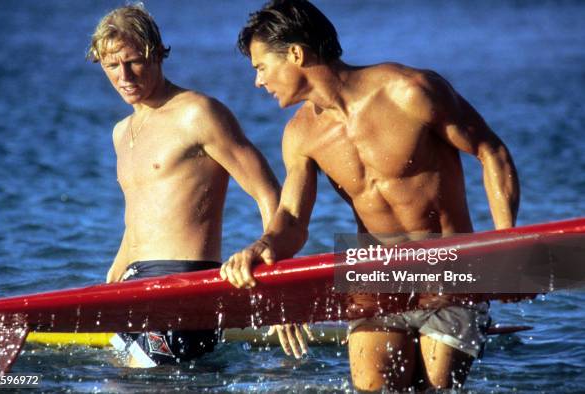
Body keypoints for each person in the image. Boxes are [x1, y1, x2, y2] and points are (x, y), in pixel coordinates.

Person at [220, 0, 519, 390]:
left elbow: (490, 152)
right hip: (373, 269)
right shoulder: (300, 134)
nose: (258, 81)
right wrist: (261, 246)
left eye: (261, 67)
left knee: (438, 385)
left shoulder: (410, 91)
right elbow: (291, 220)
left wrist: (505, 243)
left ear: (296, 53)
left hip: (448, 262)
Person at [86, 4, 280, 368]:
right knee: (113, 380)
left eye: (133, 62)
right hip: (131, 283)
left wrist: (275, 268)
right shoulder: (121, 132)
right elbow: (139, 219)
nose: (124, 75)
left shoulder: (198, 113)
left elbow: (267, 191)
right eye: (112, 66)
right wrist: (111, 283)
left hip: (184, 284)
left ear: (158, 54)